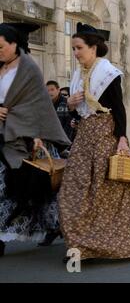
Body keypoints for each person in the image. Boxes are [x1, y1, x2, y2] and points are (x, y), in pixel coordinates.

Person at [58, 23, 130, 262]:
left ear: (93, 48)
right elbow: (76, 113)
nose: (75, 53)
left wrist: (122, 138)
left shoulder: (108, 73)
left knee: (107, 191)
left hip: (105, 134)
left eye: (79, 48)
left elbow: (119, 109)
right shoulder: (78, 73)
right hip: (84, 136)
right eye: (73, 48)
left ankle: (106, 245)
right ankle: (81, 244)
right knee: (73, 190)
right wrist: (71, 105)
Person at [0, 23, 71, 257]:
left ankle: (58, 226)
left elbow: (37, 105)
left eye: (1, 46)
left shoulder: (29, 69)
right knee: (6, 191)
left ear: (14, 44)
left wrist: (38, 135)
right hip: (3, 136)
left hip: (26, 138)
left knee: (33, 192)